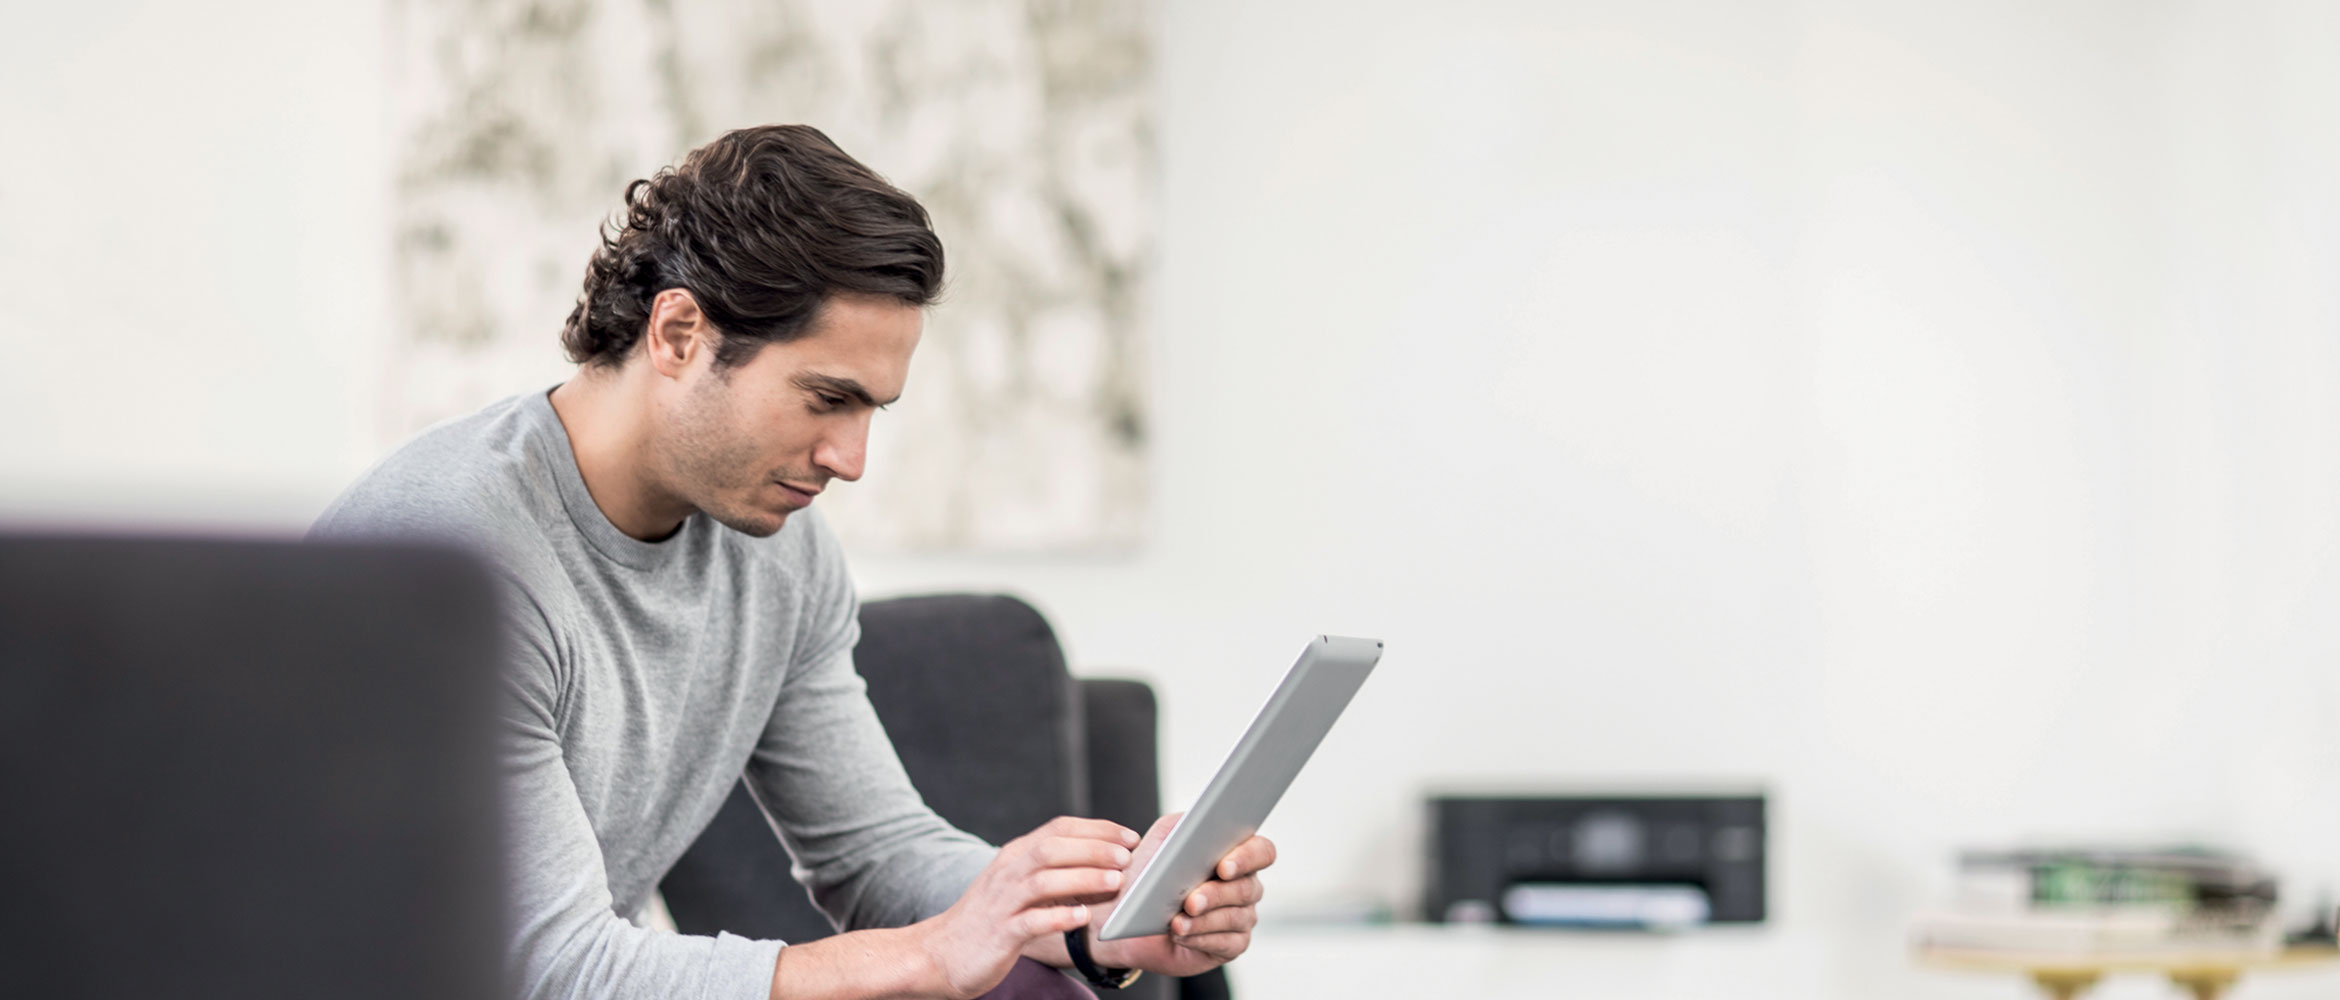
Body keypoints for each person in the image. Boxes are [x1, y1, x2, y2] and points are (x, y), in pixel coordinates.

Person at [312, 124, 1273, 1000]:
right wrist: (938, 954)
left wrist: (1080, 925)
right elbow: (555, 971)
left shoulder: (777, 554)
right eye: (825, 399)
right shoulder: (449, 559)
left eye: (870, 415)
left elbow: (875, 853)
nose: (850, 460)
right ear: (680, 334)